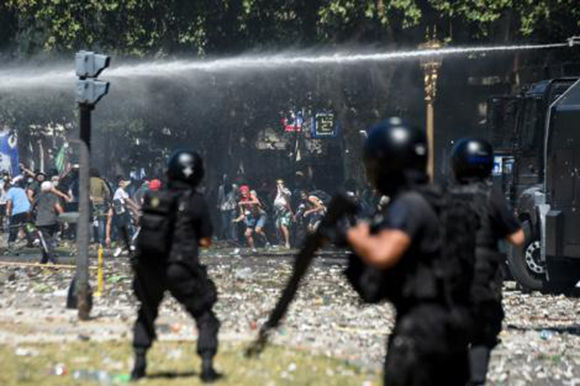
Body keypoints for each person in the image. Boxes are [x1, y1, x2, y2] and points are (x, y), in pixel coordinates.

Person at [346, 117, 471, 385]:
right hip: (452, 330)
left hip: (421, 331)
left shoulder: (408, 204)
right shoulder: (438, 199)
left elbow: (383, 254)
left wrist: (353, 237)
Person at [131, 149, 221, 383]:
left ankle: (139, 364)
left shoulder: (156, 198)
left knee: (146, 313)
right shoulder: (196, 201)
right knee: (205, 316)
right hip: (181, 267)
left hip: (150, 267)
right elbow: (206, 239)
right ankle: (207, 367)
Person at [450, 138, 524, 386]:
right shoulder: (492, 196)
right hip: (484, 278)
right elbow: (517, 237)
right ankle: (476, 379)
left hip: (450, 277)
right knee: (482, 333)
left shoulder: (446, 197)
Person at [34, 181, 64, 264]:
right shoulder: (54, 196)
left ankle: (54, 261)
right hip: (52, 221)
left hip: (41, 222)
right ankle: (44, 260)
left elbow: (31, 208)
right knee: (48, 241)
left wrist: (30, 218)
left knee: (46, 242)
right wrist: (63, 219)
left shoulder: (38, 196)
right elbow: (58, 208)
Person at [108, 178, 140, 255]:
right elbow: (128, 201)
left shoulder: (123, 192)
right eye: (123, 182)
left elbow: (126, 204)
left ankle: (126, 246)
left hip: (123, 213)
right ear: (120, 184)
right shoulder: (120, 191)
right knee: (124, 229)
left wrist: (135, 210)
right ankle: (123, 246)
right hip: (121, 214)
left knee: (126, 229)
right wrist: (137, 207)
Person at [234, 185, 269, 251]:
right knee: (247, 234)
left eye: (244, 191)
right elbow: (243, 214)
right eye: (242, 191)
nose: (243, 193)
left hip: (261, 215)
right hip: (252, 216)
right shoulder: (241, 201)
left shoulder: (251, 196)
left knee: (257, 230)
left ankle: (265, 240)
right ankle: (253, 249)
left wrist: (245, 202)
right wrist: (237, 220)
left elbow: (257, 202)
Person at [5, 179, 33, 248]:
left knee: (14, 226)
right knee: (26, 226)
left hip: (18, 211)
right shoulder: (22, 190)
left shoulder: (11, 190)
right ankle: (31, 241)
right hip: (27, 209)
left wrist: (8, 211)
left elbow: (9, 201)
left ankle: (11, 242)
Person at [90, 168, 111, 246]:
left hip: (90, 203)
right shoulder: (101, 181)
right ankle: (100, 241)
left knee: (91, 221)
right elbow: (107, 191)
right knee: (101, 221)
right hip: (101, 202)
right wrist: (106, 199)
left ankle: (92, 238)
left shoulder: (88, 181)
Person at [273, 179, 293, 248]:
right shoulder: (277, 193)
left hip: (285, 212)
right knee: (277, 227)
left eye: (281, 183)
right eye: (278, 184)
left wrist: (281, 189)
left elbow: (288, 198)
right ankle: (281, 242)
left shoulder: (286, 190)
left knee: (283, 227)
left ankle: (287, 243)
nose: (279, 185)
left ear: (284, 184)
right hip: (278, 213)